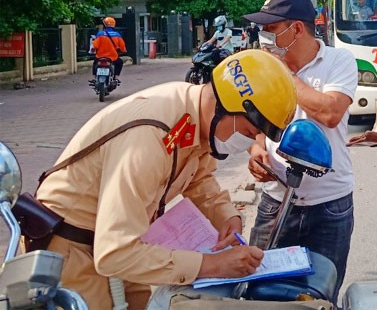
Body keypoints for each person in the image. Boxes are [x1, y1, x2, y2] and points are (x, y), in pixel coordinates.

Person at [34, 50, 297, 309]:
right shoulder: (148, 138)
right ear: (225, 107)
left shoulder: (192, 118)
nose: (248, 143)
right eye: (249, 132)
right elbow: (113, 253)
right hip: (72, 247)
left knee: (141, 303)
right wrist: (212, 265)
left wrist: (227, 216)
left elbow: (198, 177)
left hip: (123, 243)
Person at [244, 0, 358, 303]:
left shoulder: (339, 61)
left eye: (270, 29)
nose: (263, 38)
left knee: (319, 297)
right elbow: (255, 122)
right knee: (259, 292)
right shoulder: (262, 69)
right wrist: (256, 148)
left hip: (329, 205)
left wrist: (283, 72)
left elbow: (330, 112)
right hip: (276, 201)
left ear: (296, 29)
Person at [91, 16, 127, 81]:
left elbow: (95, 46)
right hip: (113, 57)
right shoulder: (117, 35)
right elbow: (122, 47)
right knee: (120, 62)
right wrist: (124, 50)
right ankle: (116, 77)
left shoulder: (100, 34)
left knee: (95, 63)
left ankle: (94, 76)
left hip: (100, 56)